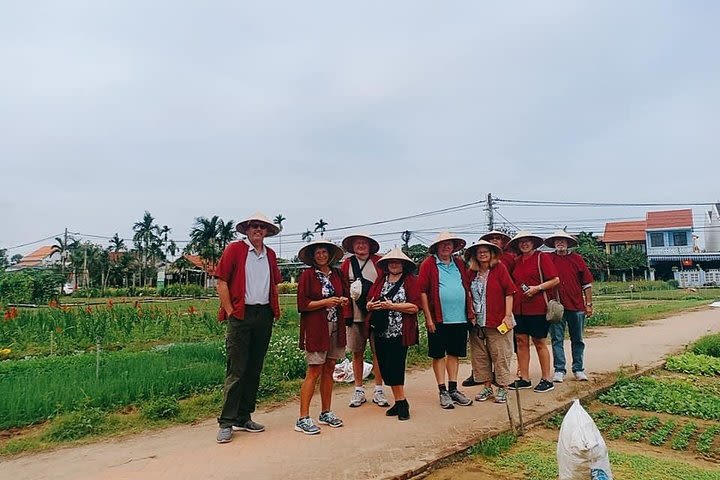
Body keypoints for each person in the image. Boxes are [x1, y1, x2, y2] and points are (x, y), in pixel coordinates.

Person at [215, 212, 283, 444]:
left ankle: (244, 416)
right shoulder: (235, 249)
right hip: (241, 314)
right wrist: (230, 311)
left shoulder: (270, 255)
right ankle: (226, 421)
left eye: (261, 227)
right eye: (253, 226)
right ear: (246, 230)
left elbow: (273, 284)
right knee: (237, 369)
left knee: (254, 368)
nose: (257, 230)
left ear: (266, 232)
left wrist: (274, 311)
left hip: (263, 314)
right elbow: (221, 281)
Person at [295, 239, 350, 435]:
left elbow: (345, 295)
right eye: (317, 252)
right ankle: (303, 417)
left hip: (336, 324)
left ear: (330, 255)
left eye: (324, 252)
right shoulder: (308, 276)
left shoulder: (337, 274)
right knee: (314, 369)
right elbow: (303, 304)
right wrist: (324, 302)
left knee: (330, 367)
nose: (321, 255)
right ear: (313, 256)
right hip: (317, 326)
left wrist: (341, 300)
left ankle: (326, 411)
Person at [418, 231, 474, 409]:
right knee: (438, 354)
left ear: (453, 246)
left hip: (459, 317)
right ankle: (442, 390)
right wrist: (428, 317)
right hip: (439, 318)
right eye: (443, 244)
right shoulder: (429, 264)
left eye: (449, 243)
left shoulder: (458, 263)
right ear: (436, 247)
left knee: (454, 353)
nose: (446, 246)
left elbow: (466, 287)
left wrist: (470, 312)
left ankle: (453, 388)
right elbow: (423, 292)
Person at [366, 248, 420, 420]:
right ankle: (398, 401)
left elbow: (414, 307)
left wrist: (393, 306)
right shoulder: (381, 280)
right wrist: (370, 306)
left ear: (404, 264)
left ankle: (402, 402)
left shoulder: (410, 281)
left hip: (400, 331)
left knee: (396, 366)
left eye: (397, 262)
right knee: (385, 367)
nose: (394, 265)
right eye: (391, 262)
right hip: (381, 330)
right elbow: (370, 300)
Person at [507, 231, 560, 394]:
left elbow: (555, 279)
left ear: (533, 243)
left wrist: (537, 288)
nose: (524, 244)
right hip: (519, 308)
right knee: (521, 342)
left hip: (537, 307)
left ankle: (546, 379)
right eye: (521, 242)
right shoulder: (516, 261)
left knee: (539, 342)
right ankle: (524, 378)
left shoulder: (541, 257)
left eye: (527, 241)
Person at [464, 240, 517, 404]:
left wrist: (507, 315)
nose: (482, 254)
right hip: (477, 322)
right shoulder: (471, 273)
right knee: (480, 356)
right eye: (479, 252)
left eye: (485, 251)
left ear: (492, 253)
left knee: (500, 354)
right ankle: (487, 386)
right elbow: (467, 293)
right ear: (474, 255)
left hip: (498, 320)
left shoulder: (499, 269)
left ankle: (503, 387)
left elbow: (509, 292)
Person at [340, 233, 388, 408]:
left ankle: (378, 389)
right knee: (356, 351)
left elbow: (385, 284)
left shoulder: (379, 262)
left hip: (375, 313)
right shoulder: (347, 264)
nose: (360, 245)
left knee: (378, 352)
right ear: (352, 246)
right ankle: (358, 389)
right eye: (357, 243)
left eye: (363, 243)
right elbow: (344, 287)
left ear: (370, 245)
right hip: (354, 315)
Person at [544, 230, 594, 383]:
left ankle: (578, 369)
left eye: (563, 241)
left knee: (577, 338)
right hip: (556, 307)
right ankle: (559, 369)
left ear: (568, 243)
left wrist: (589, 304)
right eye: (557, 241)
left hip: (576, 305)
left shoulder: (577, 259)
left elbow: (587, 284)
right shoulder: (548, 259)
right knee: (556, 339)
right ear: (553, 244)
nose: (560, 243)